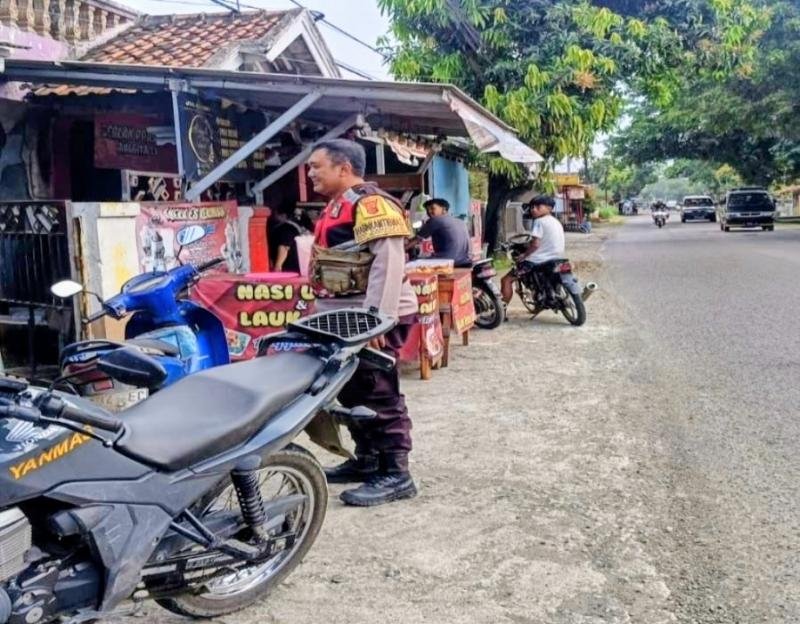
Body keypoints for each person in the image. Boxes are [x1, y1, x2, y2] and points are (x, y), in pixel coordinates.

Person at [307, 138, 419, 507]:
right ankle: (368, 460)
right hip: (346, 319)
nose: (310, 174)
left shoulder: (372, 204)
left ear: (344, 168)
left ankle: (396, 474)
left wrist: (375, 322)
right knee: (352, 392)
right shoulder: (337, 206)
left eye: (316, 167)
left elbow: (388, 264)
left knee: (378, 394)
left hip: (371, 318)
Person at [500, 194, 566, 307]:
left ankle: (502, 310)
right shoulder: (556, 222)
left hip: (538, 261)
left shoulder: (539, 222)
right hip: (557, 257)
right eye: (532, 207)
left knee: (506, 280)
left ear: (549, 208)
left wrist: (524, 255)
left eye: (538, 206)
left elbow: (535, 244)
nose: (533, 209)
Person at [407, 198, 472, 267]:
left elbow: (415, 240)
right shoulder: (460, 222)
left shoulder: (435, 220)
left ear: (444, 210)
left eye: (432, 208)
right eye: (427, 210)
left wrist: (401, 249)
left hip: (447, 262)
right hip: (466, 261)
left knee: (412, 263)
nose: (429, 211)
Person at [269, 203, 304, 273]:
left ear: (283, 215)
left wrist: (278, 266)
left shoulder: (285, 228)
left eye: (275, 214)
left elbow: (284, 247)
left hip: (288, 269)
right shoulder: (294, 227)